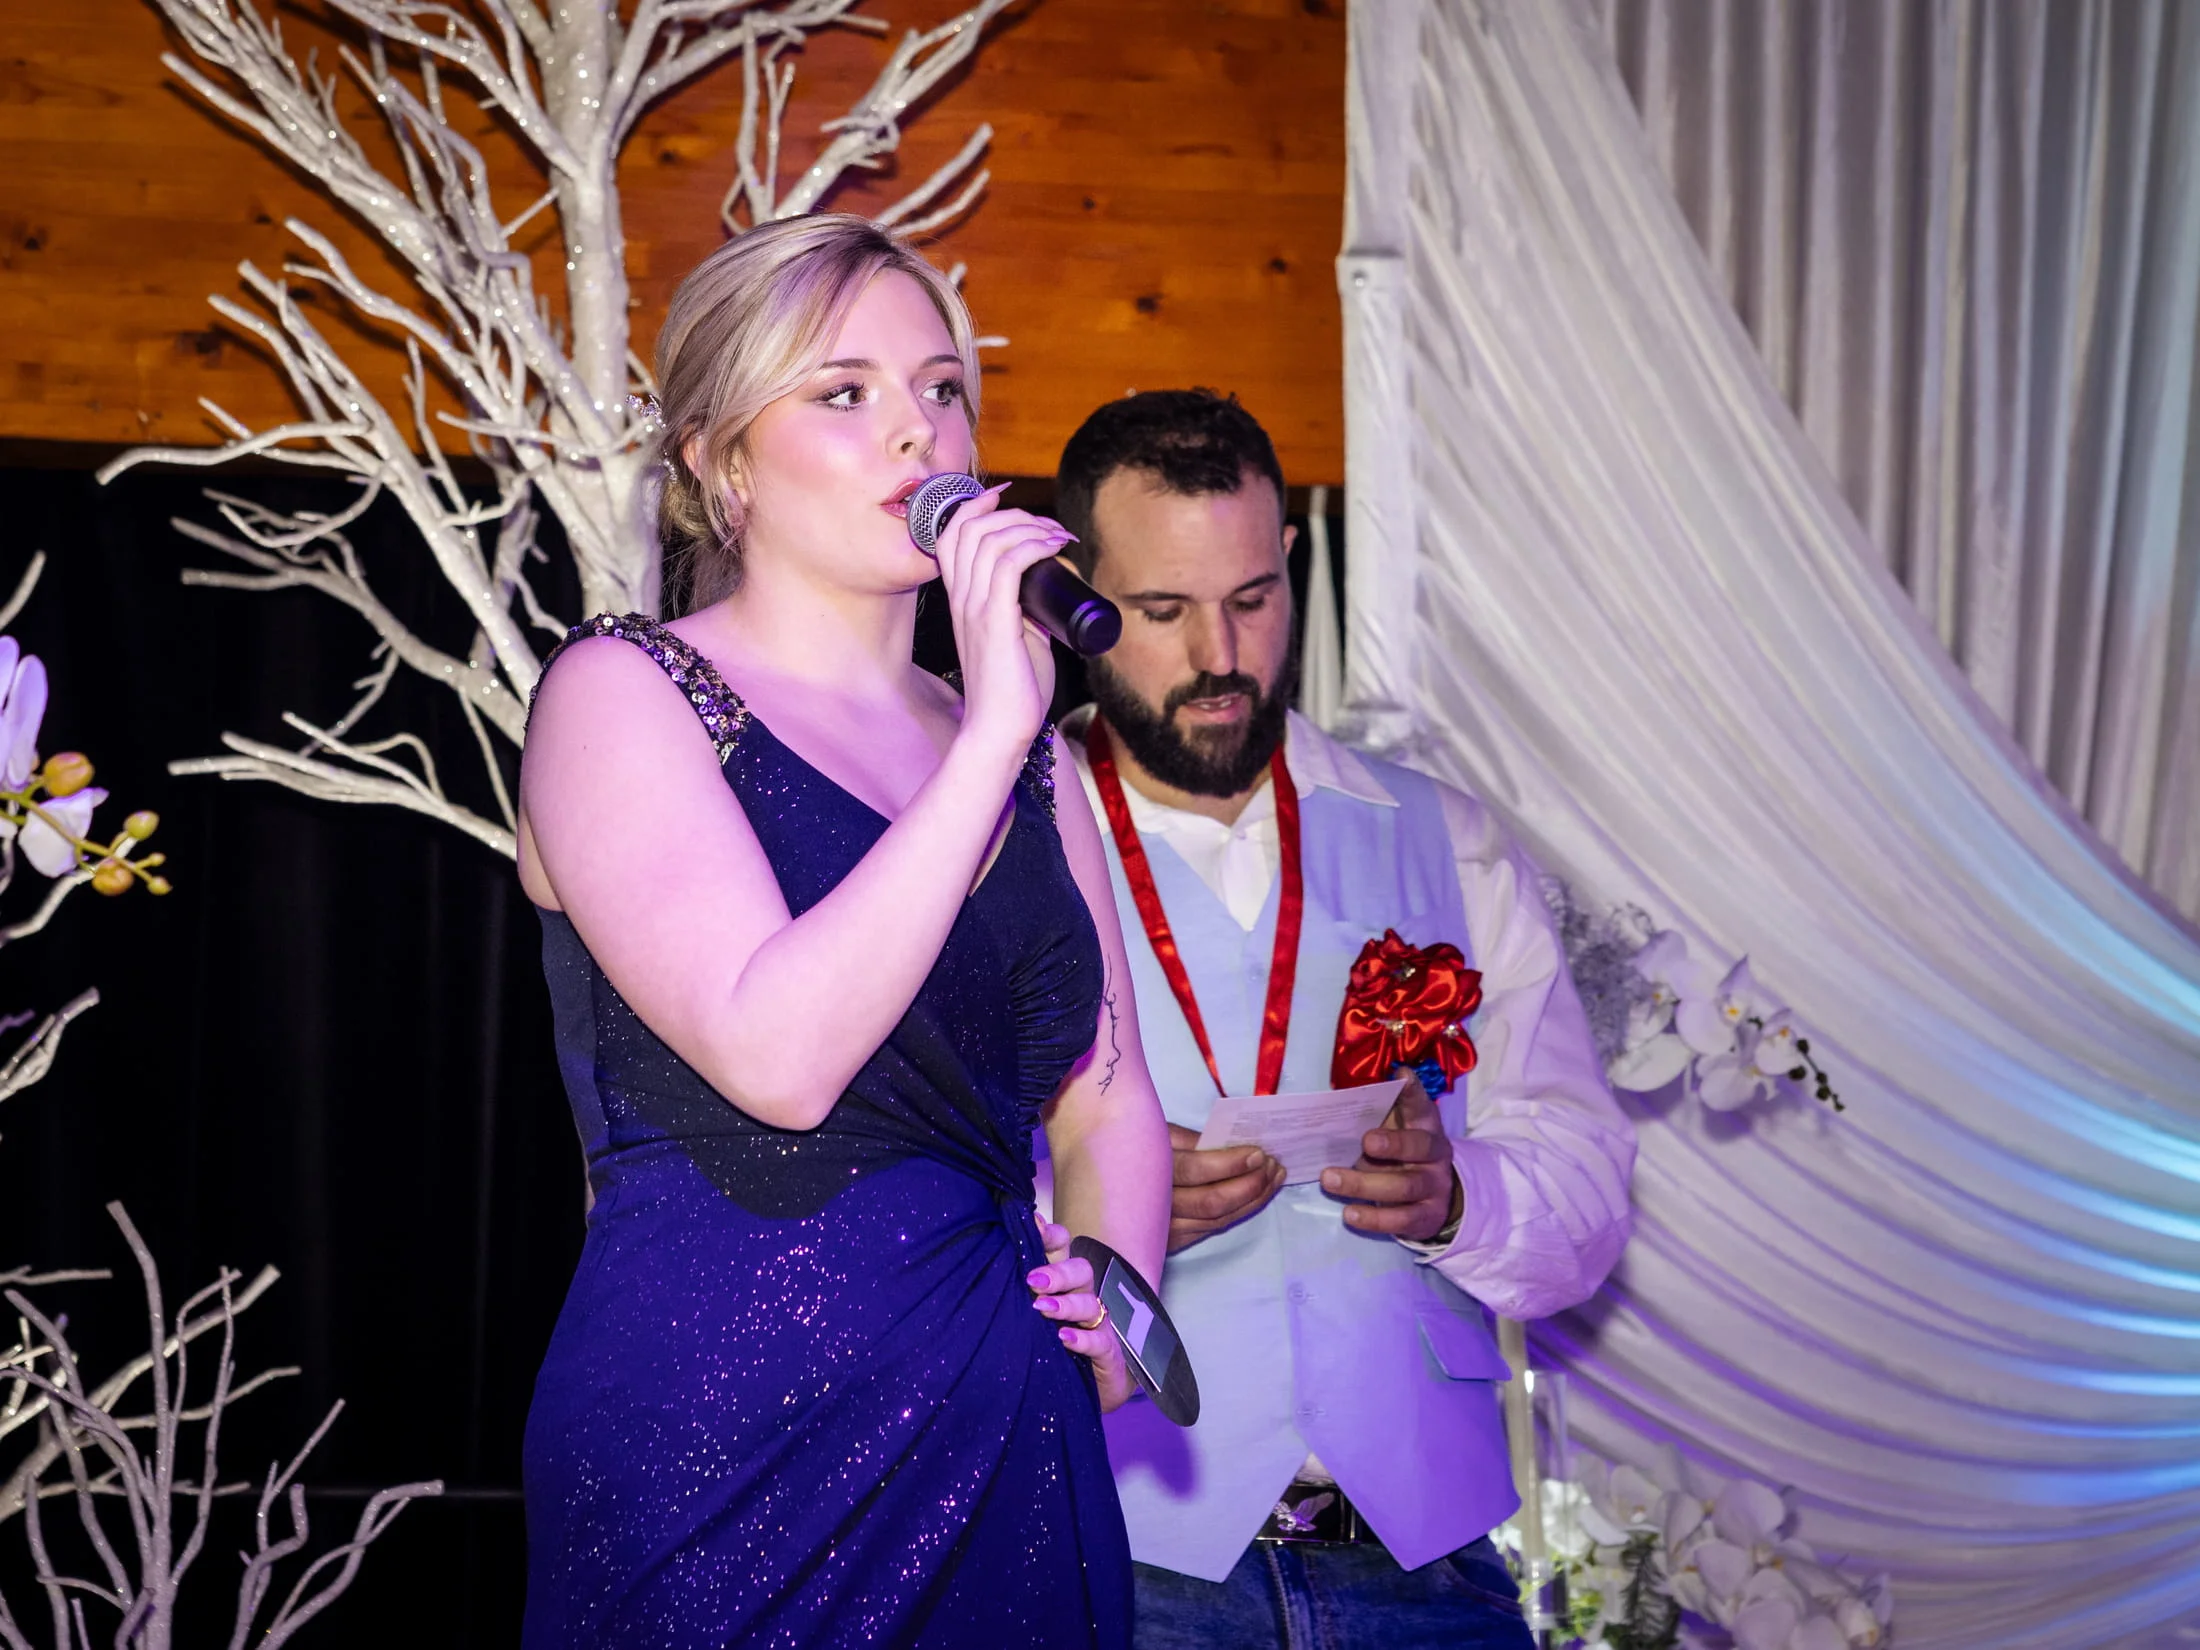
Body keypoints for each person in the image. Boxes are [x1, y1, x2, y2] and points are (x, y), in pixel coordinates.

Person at [514, 215, 1173, 1649]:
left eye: (941, 389)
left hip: (1007, 1429)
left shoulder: (1029, 758)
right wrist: (991, 734)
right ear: (723, 462)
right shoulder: (622, 693)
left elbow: (1109, 1091)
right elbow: (778, 1056)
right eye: (844, 391)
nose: (917, 432)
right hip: (726, 1443)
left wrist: (1121, 1304)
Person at [1051, 390, 1636, 1648]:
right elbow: (888, 1213)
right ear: (1076, 600)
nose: (1219, 653)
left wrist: (1457, 1196)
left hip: (1428, 1577)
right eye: (1163, 609)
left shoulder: (1448, 840)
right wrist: (1094, 1214)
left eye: (1253, 598)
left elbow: (1588, 1192)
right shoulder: (993, 844)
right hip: (1118, 1564)